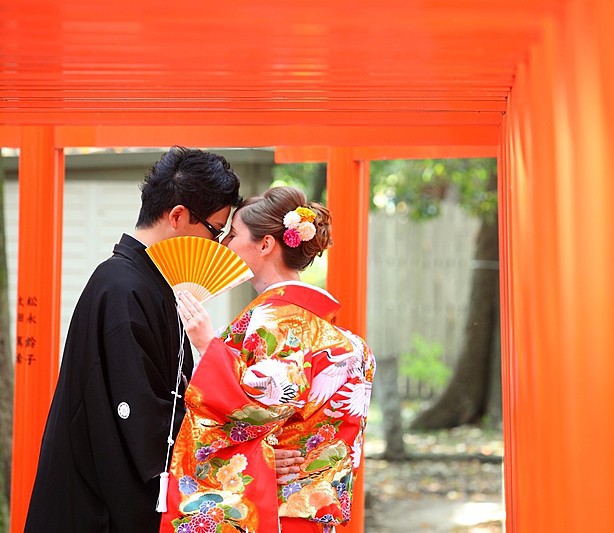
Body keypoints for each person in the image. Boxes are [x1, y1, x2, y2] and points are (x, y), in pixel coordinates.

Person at [23, 146, 243, 533]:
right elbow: (142, 414)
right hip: (100, 502)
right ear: (177, 216)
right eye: (215, 230)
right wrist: (234, 447)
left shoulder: (148, 283)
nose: (216, 244)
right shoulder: (121, 287)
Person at [160, 186, 376, 533]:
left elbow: (255, 408)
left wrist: (207, 345)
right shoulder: (342, 339)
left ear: (265, 245)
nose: (224, 244)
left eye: (232, 234)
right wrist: (271, 456)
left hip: (267, 511)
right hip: (309, 513)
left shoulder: (272, 321)